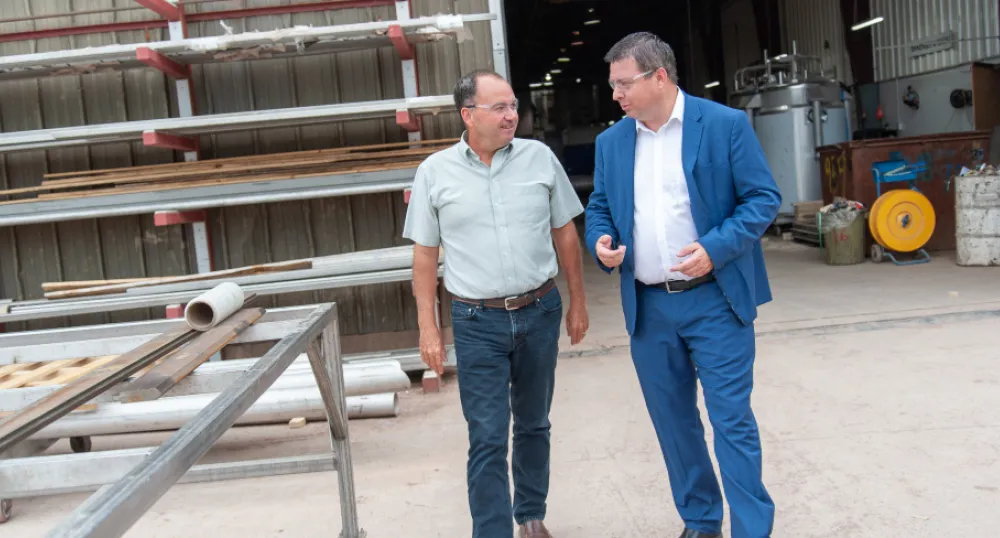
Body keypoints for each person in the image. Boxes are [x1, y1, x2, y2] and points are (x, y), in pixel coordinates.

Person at [584, 32, 781, 538]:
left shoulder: (724, 124)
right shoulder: (612, 142)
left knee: (731, 421)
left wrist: (716, 248)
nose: (616, 95)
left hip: (716, 300)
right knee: (674, 423)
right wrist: (601, 241)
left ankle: (751, 529)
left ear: (659, 77)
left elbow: (762, 198)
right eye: (613, 85)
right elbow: (600, 206)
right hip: (649, 308)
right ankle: (700, 520)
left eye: (624, 84)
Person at [403, 69, 589, 538]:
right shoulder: (434, 172)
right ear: (468, 115)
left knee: (534, 423)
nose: (512, 116)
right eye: (499, 107)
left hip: (539, 310)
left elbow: (565, 233)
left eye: (513, 106)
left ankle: (531, 515)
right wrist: (428, 326)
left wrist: (578, 302)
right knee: (486, 435)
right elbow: (424, 256)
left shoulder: (539, 159)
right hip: (476, 320)